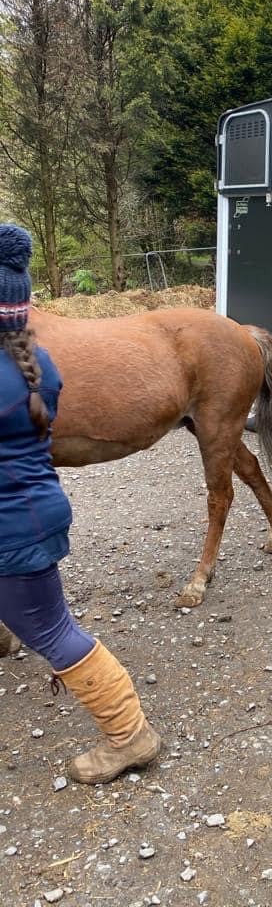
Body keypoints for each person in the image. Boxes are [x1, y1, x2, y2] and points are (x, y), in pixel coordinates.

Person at [0, 223, 161, 784]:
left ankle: (130, 736)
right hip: (33, 510)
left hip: (13, 527)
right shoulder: (37, 364)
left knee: (52, 630)